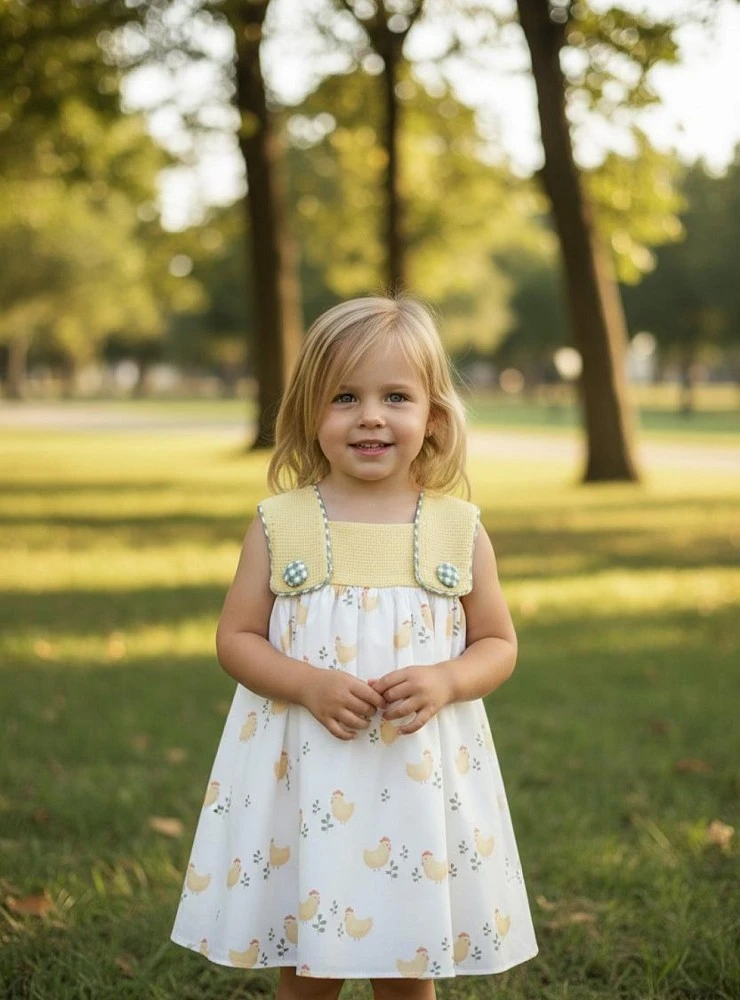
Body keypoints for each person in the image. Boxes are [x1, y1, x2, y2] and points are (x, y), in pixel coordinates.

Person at [170, 295, 539, 997]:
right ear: (312, 412)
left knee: (407, 962)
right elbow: (236, 637)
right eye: (345, 396)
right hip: (306, 778)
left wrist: (448, 680)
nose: (370, 414)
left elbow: (498, 642)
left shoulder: (457, 529)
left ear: (432, 415)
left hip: (413, 781)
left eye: (395, 396)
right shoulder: (283, 523)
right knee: (308, 966)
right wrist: (305, 683)